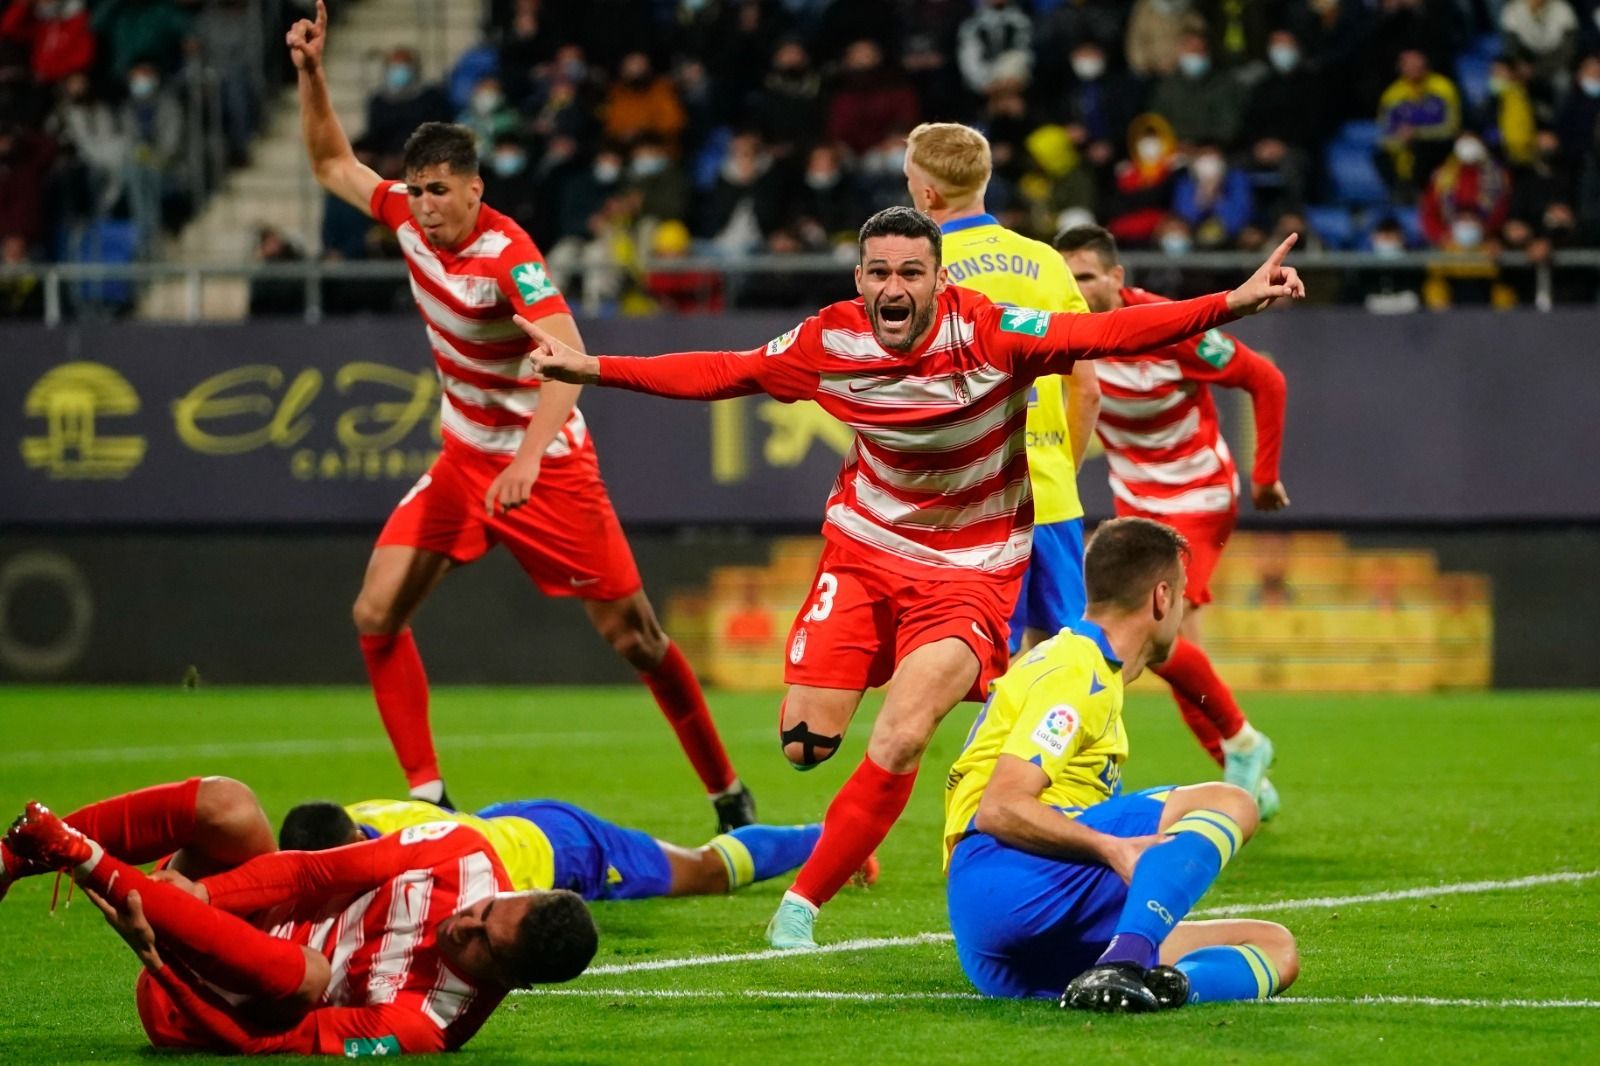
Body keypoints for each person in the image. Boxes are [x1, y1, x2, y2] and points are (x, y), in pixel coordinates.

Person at [512, 205, 1306, 949]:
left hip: (971, 568)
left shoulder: (993, 334)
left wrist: (1231, 301)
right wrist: (590, 367)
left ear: (940, 279)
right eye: (879, 272)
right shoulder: (831, 340)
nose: (894, 287)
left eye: (911, 273)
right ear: (859, 279)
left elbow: (1113, 331)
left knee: (900, 734)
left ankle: (799, 908)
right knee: (802, 745)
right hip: (864, 552)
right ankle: (941, 723)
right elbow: (725, 371)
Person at [286, 2, 752, 829]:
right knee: (374, 613)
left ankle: (727, 793)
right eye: (417, 189)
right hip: (465, 458)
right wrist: (312, 74)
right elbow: (330, 163)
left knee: (637, 639)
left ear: (476, 189)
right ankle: (431, 799)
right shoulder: (405, 217)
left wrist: (531, 457)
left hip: (548, 464)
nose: (426, 206)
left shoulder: (512, 259)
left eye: (442, 192)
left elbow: (567, 356)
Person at [944, 517, 1299, 1010]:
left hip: (1024, 935)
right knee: (1232, 800)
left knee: (1275, 948)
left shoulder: (1086, 669)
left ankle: (1157, 990)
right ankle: (1127, 960)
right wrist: (1109, 848)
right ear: (1161, 598)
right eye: (1181, 595)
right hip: (1008, 876)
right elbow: (999, 808)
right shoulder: (1077, 671)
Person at [2, 778, 596, 1053]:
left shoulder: (426, 1026)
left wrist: (157, 962)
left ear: (512, 981)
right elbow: (311, 871)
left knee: (311, 973)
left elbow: (262, 1042)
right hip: (229, 911)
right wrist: (204, 899)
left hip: (207, 1000)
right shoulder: (465, 853)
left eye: (482, 945)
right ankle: (12, 856)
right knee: (230, 805)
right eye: (485, 910)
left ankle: (78, 853)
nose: (464, 924)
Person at [1053, 223, 1285, 816]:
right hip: (1135, 502)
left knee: (1158, 640)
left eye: (1084, 276)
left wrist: (1264, 476)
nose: (1074, 288)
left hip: (1198, 495)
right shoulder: (1065, 337)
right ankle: (1244, 772)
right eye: (1066, 277)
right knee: (1163, 648)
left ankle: (1242, 747)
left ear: (1116, 277)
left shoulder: (1168, 327)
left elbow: (1265, 378)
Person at [901, 121, 1101, 656]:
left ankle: (988, 744)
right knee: (1066, 661)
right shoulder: (1047, 263)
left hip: (968, 504)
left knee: (980, 661)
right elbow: (1087, 389)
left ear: (926, 193)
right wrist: (1059, 468)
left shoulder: (921, 272)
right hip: (1051, 494)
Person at [278, 796, 835, 901]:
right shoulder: (361, 817)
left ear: (354, 841)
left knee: (705, 872)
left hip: (568, 851)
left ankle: (829, 840)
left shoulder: (411, 867)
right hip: (506, 822)